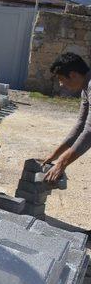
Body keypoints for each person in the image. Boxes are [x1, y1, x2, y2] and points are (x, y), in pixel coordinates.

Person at [43, 53, 91, 187]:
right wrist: (54, 156)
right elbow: (81, 126)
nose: (60, 84)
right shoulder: (85, 89)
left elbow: (89, 130)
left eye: (61, 78)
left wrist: (62, 162)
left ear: (73, 74)